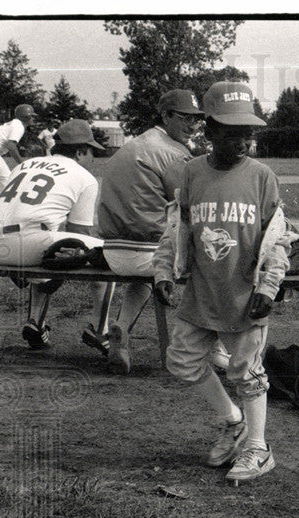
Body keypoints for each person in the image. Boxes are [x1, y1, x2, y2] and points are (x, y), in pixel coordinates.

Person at [151, 81, 293, 484]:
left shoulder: (262, 177)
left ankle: (258, 447)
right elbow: (175, 230)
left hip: (244, 295)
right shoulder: (191, 172)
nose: (243, 140)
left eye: (248, 132)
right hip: (201, 293)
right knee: (180, 360)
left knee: (247, 374)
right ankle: (233, 422)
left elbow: (277, 238)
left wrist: (268, 287)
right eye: (231, 132)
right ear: (209, 131)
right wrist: (163, 271)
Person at [91, 89, 204, 372]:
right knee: (219, 257)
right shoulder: (175, 153)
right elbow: (191, 208)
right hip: (150, 253)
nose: (193, 125)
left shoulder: (130, 146)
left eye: (197, 119)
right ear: (165, 116)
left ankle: (123, 330)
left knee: (144, 276)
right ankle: (215, 348)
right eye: (185, 118)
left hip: (114, 254)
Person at [0, 119, 105, 349]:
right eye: (91, 152)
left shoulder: (24, 165)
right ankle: (100, 330)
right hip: (27, 243)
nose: (92, 159)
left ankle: (35, 323)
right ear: (79, 151)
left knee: (55, 250)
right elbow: (79, 232)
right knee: (106, 252)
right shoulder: (84, 177)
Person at [0, 104, 37, 213]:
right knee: (8, 177)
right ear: (26, 116)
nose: (34, 118)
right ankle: (20, 210)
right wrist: (20, 162)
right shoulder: (19, 125)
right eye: (32, 116)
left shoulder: (15, 123)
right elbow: (11, 145)